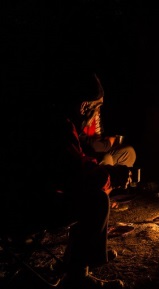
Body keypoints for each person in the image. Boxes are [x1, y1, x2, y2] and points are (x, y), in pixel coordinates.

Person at [2, 72, 132, 289]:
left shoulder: (43, 117)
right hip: (23, 209)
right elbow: (74, 174)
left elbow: (73, 162)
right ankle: (77, 275)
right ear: (84, 106)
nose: (97, 113)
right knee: (95, 200)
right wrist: (109, 175)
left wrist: (99, 171)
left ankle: (78, 259)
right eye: (97, 107)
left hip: (19, 201)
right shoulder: (57, 126)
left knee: (88, 194)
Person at [78, 74, 136, 168]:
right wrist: (108, 144)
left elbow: (99, 135)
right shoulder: (77, 117)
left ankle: (115, 179)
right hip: (84, 157)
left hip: (97, 150)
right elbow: (88, 146)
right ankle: (107, 181)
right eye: (97, 105)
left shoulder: (95, 112)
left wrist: (108, 142)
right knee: (107, 158)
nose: (99, 108)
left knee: (129, 152)